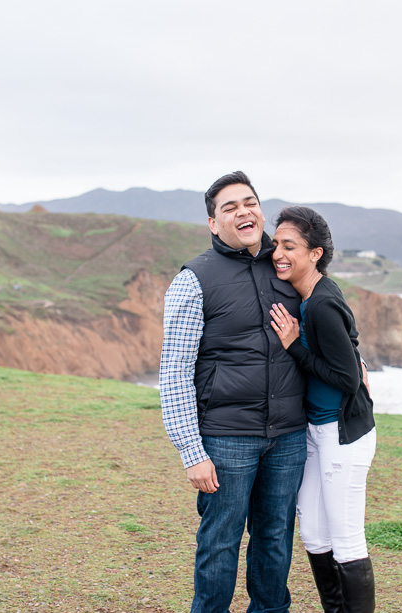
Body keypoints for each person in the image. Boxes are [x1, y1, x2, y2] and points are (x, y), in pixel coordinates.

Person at [160, 171, 308, 613]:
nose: (243, 211)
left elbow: (325, 318)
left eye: (250, 202)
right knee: (220, 542)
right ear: (213, 223)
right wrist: (192, 451)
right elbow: (174, 373)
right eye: (230, 207)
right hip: (225, 438)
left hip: (288, 435)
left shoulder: (285, 264)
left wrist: (352, 359)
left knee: (276, 537)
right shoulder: (193, 280)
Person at [268, 206, 377, 613]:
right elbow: (348, 347)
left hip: (343, 435)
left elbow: (347, 378)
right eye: (276, 243)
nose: (278, 252)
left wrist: (295, 346)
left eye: (289, 246)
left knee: (346, 540)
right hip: (316, 432)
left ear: (315, 253)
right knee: (314, 532)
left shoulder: (320, 304)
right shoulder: (311, 296)